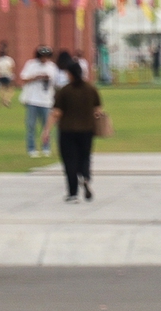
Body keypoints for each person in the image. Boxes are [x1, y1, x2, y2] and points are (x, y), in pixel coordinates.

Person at [51, 56, 102, 203]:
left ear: (70, 74)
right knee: (85, 157)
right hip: (87, 130)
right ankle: (85, 177)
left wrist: (46, 130)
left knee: (70, 161)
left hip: (67, 131)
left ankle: (73, 193)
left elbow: (57, 113)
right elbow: (97, 110)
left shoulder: (65, 91)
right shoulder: (91, 89)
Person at [19, 46, 59, 157]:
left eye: (46, 57)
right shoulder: (31, 64)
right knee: (31, 125)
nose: (44, 59)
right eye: (42, 56)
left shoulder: (52, 67)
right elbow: (23, 79)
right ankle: (31, 148)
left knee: (46, 126)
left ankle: (46, 147)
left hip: (47, 100)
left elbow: (56, 82)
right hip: (33, 100)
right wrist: (36, 77)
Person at [0, 41, 16, 107]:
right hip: (7, 75)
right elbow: (11, 68)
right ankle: (7, 99)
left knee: (2, 88)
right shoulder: (9, 59)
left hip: (0, 75)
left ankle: (3, 100)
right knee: (11, 89)